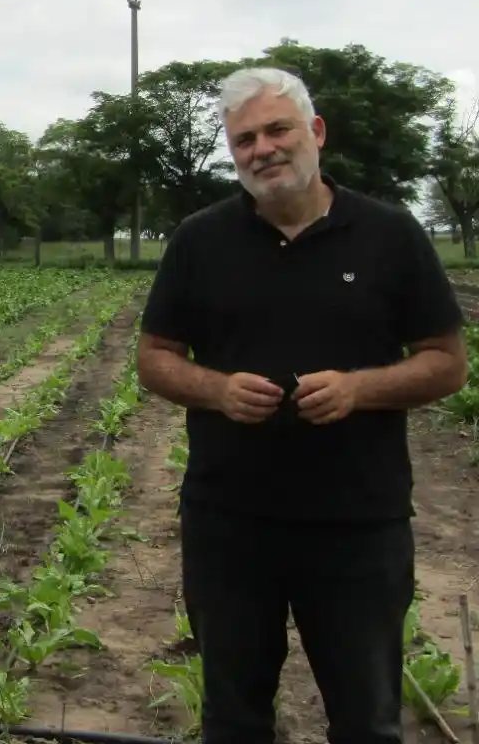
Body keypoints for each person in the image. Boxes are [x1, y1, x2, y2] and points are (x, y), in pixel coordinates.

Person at [137, 66, 469, 744]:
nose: (262, 148)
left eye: (277, 129)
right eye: (244, 140)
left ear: (315, 133)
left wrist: (359, 388)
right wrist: (218, 390)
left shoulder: (390, 234)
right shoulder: (200, 241)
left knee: (368, 719)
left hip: (358, 523)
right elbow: (154, 357)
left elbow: (447, 361)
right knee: (233, 718)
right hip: (229, 524)